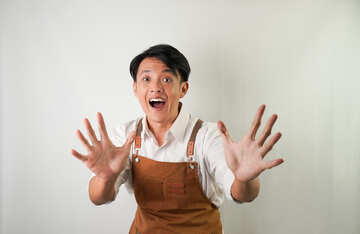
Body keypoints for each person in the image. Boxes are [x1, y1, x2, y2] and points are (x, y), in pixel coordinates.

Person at [71, 44, 284, 234]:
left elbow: (242, 195)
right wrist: (106, 178)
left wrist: (244, 179)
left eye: (166, 79)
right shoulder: (125, 137)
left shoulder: (207, 136)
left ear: (183, 89)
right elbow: (98, 198)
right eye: (146, 79)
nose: (156, 87)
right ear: (135, 89)